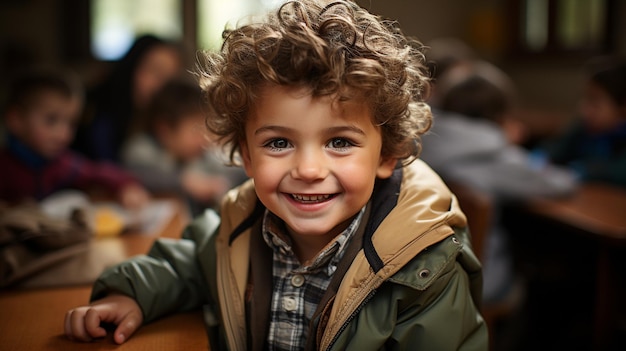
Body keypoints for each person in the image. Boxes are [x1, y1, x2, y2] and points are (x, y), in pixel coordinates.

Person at [64, 1, 487, 350]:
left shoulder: (425, 267)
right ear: (246, 156)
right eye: (278, 143)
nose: (307, 170)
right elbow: (186, 266)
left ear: (387, 155)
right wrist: (130, 295)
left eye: (339, 142)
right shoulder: (236, 229)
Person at [419, 59, 578, 304]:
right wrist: (509, 144)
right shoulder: (496, 156)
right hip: (475, 280)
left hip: (421, 273)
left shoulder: (422, 141)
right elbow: (560, 184)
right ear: (500, 116)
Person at [0, 67, 149, 208]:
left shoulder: (63, 164)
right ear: (16, 120)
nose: (63, 135)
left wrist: (127, 185)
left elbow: (99, 172)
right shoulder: (5, 168)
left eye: (71, 124)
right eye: (51, 120)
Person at [121, 77, 247, 215]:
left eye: (206, 129)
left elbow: (234, 170)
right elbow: (135, 174)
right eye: (195, 131)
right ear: (165, 130)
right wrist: (185, 182)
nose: (204, 140)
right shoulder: (141, 149)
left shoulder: (201, 155)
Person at [72, 34, 186, 162]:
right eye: (155, 71)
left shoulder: (162, 126)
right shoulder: (94, 114)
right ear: (132, 67)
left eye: (169, 79)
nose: (161, 85)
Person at [541, 56, 626, 188]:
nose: (584, 110)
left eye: (594, 102)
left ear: (622, 108)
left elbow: (618, 173)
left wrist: (580, 170)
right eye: (585, 99)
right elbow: (552, 151)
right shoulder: (582, 129)